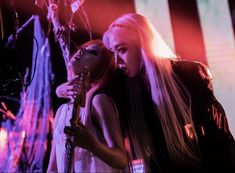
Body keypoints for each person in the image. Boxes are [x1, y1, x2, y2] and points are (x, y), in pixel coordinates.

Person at [102, 13, 235, 173]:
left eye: (122, 50)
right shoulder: (128, 89)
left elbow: (219, 135)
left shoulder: (188, 74)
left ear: (142, 45)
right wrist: (64, 88)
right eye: (113, 53)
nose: (117, 61)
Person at [46, 40, 128, 172]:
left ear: (103, 68)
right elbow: (53, 168)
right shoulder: (61, 111)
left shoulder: (98, 101)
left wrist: (92, 145)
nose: (81, 51)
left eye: (93, 52)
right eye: (83, 47)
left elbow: (122, 159)